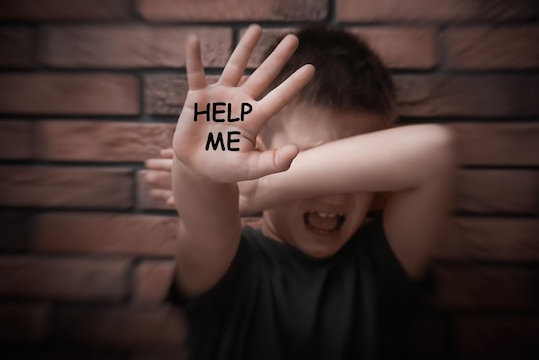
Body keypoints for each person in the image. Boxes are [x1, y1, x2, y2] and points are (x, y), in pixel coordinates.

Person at [144, 24, 457, 360]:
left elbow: (437, 150)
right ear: (258, 152)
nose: (336, 195)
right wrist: (207, 173)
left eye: (349, 166)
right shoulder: (228, 262)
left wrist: (262, 187)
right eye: (309, 156)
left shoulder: (379, 263)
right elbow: (206, 217)